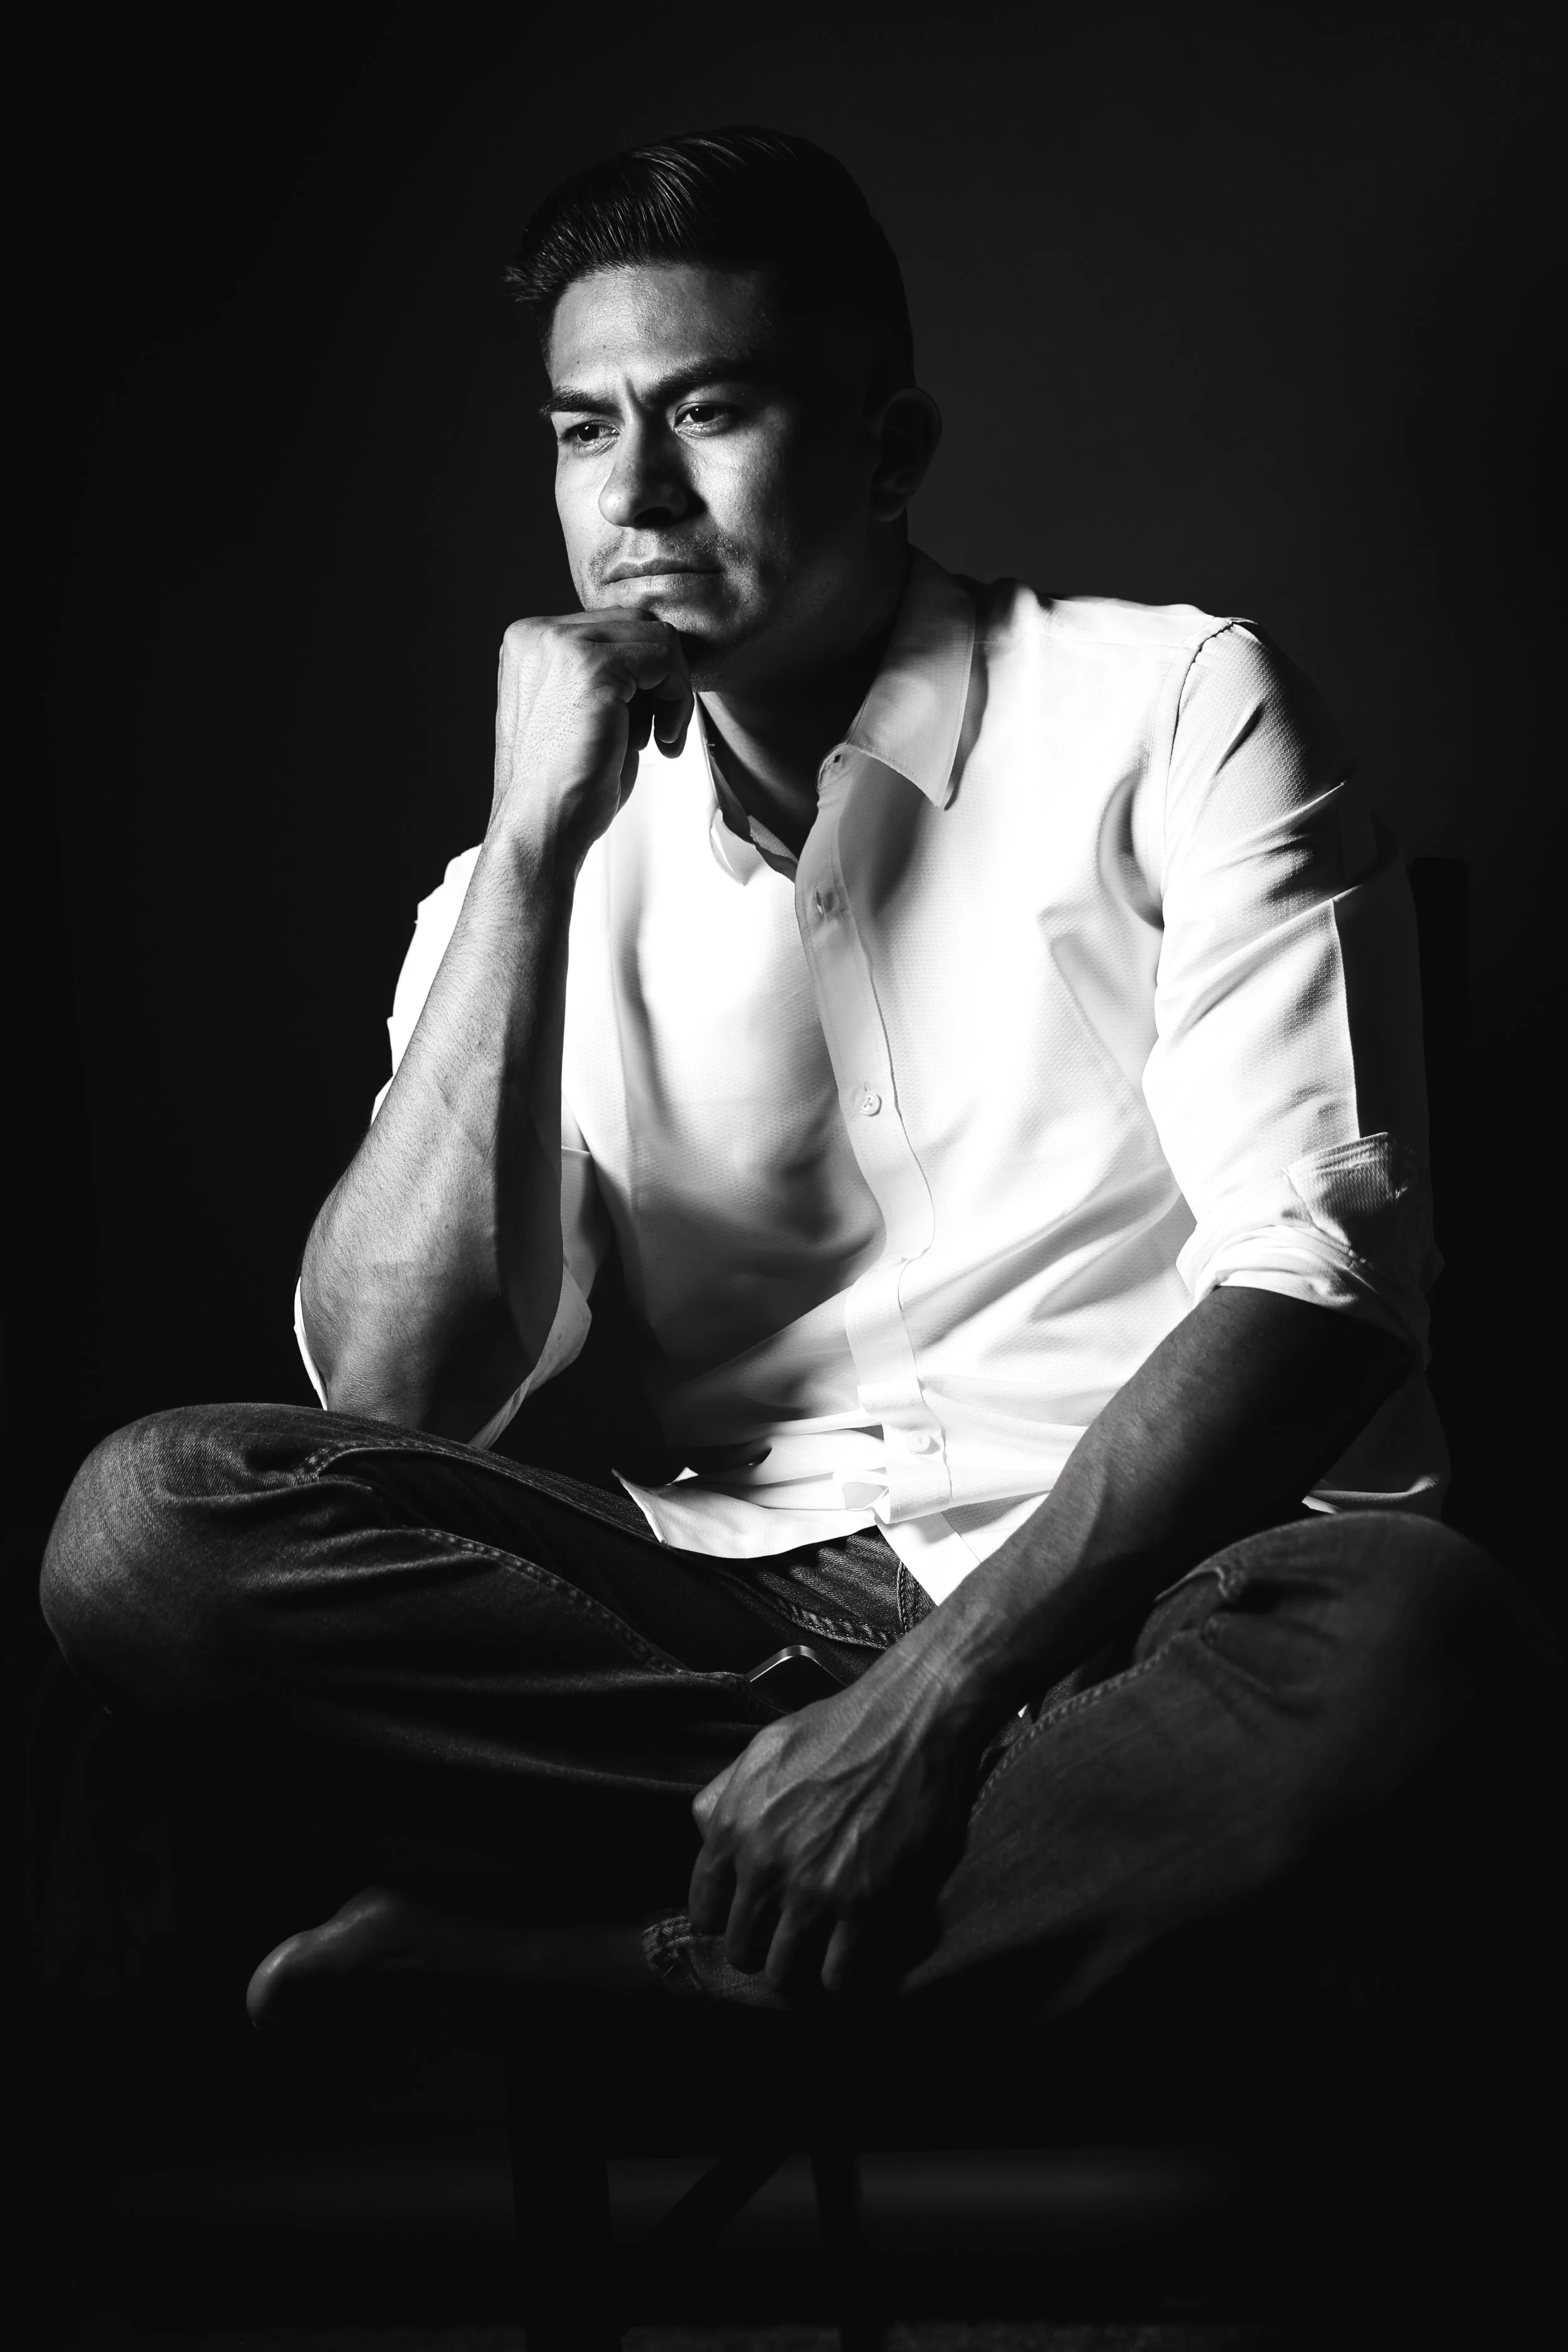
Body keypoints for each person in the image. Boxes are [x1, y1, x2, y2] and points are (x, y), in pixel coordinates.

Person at [38, 132, 1552, 2064]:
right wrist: (526, 850)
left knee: (1416, 1651)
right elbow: (395, 1390)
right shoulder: (540, 868)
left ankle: (637, 1965)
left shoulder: (1169, 710)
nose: (636, 495)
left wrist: (924, 1710)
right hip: (727, 1620)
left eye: (710, 412)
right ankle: (889, 1877)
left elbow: (1322, 1288)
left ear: (889, 445)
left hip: (1162, 1599)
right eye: (584, 431)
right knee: (147, 1527)